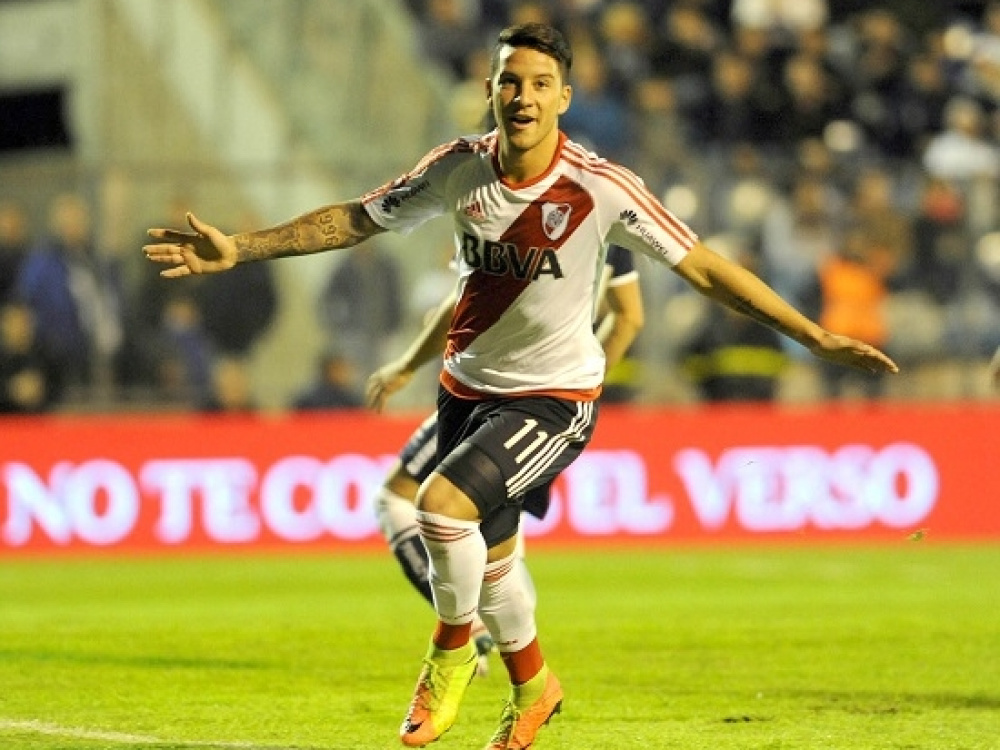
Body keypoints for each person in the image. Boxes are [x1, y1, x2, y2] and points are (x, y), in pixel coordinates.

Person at [144, 23, 898, 749]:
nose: (524, 95)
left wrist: (812, 335)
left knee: (438, 507)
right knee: (496, 565)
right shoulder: (457, 169)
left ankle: (446, 657)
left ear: (564, 96)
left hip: (555, 400)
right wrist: (240, 247)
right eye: (511, 81)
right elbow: (355, 219)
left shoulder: (601, 188)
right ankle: (534, 688)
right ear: (490, 90)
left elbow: (703, 268)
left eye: (541, 83)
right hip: (465, 391)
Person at [366, 244, 643, 678]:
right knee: (498, 528)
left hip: (492, 389)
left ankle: (474, 637)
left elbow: (465, 301)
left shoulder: (510, 213)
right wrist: (580, 385)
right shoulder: (608, 222)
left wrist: (407, 363)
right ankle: (521, 670)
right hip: (552, 403)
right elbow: (629, 317)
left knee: (401, 498)